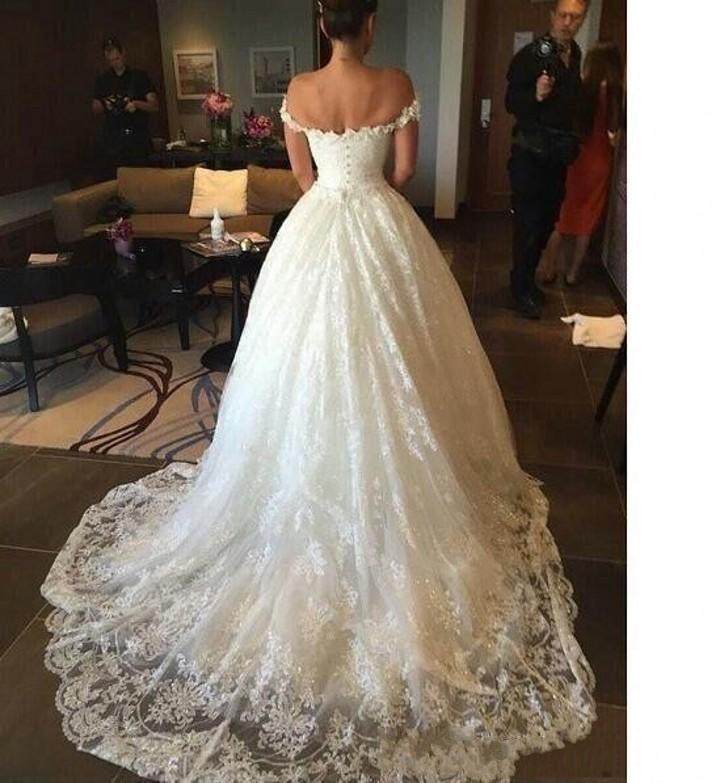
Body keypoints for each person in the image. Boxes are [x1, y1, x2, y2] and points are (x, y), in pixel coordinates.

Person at [41, 2, 596, 780]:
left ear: (323, 23)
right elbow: (403, 173)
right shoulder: (397, 82)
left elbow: (302, 178)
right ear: (369, 23)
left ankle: (306, 471)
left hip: (317, 228)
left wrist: (335, 183)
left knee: (296, 362)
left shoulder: (299, 90)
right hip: (380, 224)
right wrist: (368, 181)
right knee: (402, 355)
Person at [505, 0, 588, 319]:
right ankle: (520, 288)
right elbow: (510, 101)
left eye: (575, 17)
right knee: (528, 223)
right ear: (552, 15)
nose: (568, 22)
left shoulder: (575, 54)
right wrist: (536, 95)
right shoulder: (531, 56)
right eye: (563, 15)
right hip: (530, 155)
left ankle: (527, 282)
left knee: (547, 222)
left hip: (557, 156)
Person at [540, 40, 623, 286]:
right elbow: (614, 134)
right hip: (600, 161)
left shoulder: (581, 88)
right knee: (587, 219)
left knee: (561, 216)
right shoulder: (616, 93)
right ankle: (573, 274)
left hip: (575, 159)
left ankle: (548, 269)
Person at [92, 36, 159, 180]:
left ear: (123, 54)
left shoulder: (139, 77)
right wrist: (106, 103)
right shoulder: (103, 80)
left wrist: (136, 104)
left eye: (117, 58)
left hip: (137, 137)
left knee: (141, 179)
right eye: (110, 60)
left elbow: (154, 106)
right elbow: (95, 108)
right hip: (113, 139)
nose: (115, 63)